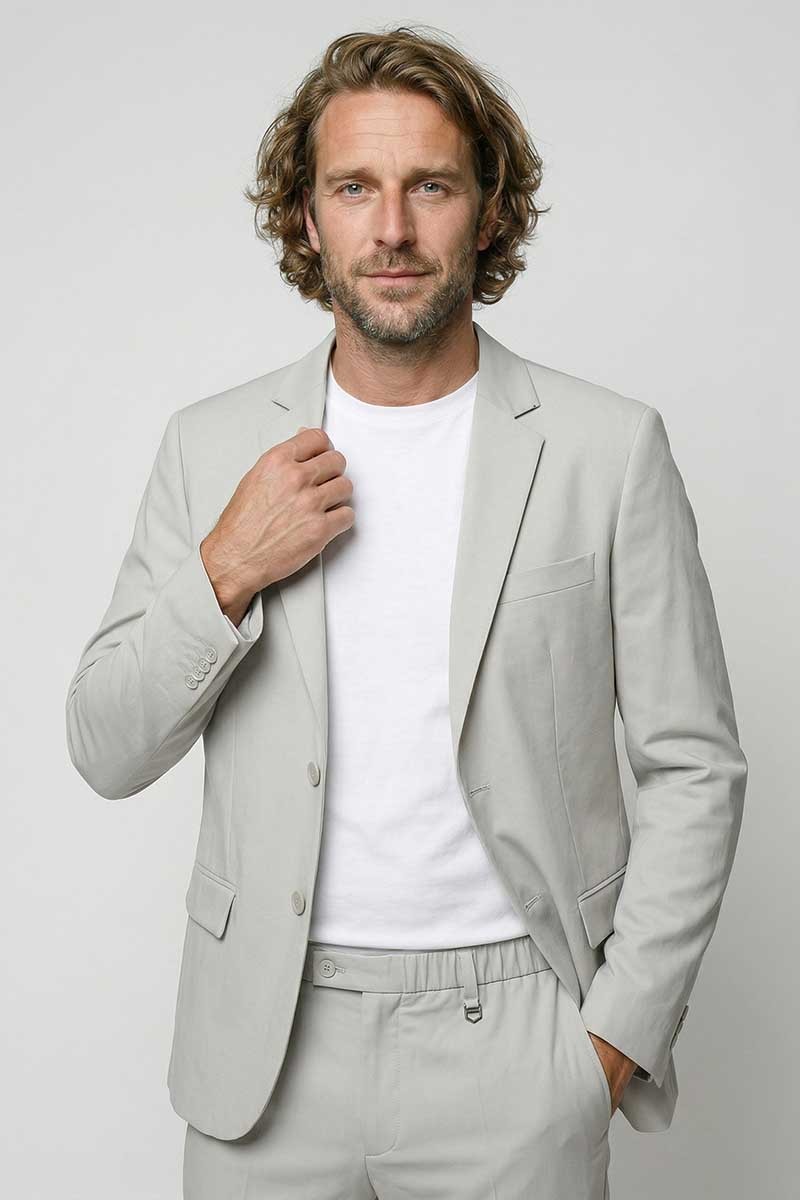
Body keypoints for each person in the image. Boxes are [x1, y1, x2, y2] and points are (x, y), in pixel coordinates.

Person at [65, 24, 748, 1200]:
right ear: (305, 218)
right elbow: (104, 747)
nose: (390, 229)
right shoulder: (209, 448)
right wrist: (225, 568)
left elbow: (694, 765)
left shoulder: (605, 449)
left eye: (428, 185)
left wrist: (609, 1041)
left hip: (518, 1045)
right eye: (352, 188)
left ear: (486, 212)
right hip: (264, 1052)